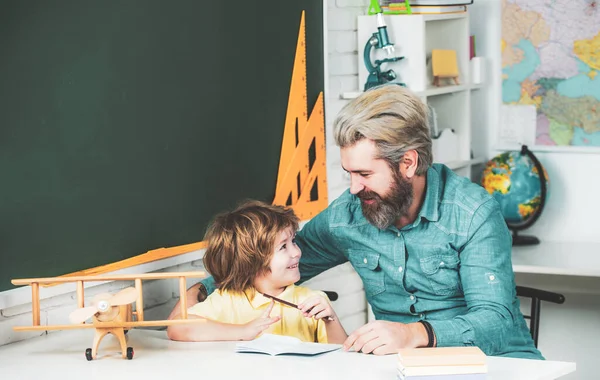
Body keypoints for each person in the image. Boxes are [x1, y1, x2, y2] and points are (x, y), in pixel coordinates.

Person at [175, 85, 542, 359]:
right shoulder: (349, 214)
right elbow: (263, 264)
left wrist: (413, 334)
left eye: (364, 173)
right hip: (403, 366)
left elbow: (496, 323)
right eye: (349, 172)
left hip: (498, 364)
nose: (353, 188)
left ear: (408, 163)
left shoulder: (473, 212)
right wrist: (199, 293)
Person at [166, 200, 347, 344]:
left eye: (294, 241)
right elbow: (177, 327)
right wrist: (243, 331)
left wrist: (331, 320)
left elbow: (346, 360)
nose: (297, 252)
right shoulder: (228, 299)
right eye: (284, 247)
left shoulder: (311, 300)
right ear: (252, 262)